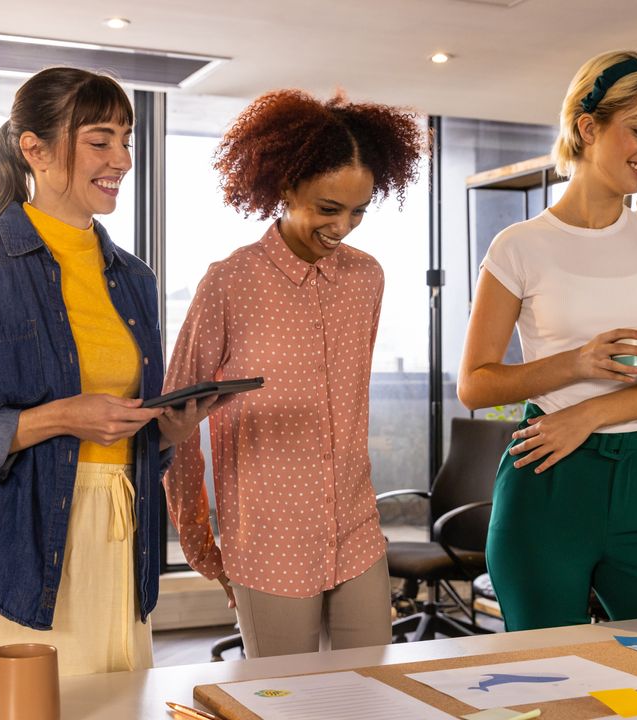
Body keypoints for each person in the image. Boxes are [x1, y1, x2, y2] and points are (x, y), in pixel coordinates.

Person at [0, 67, 208, 687]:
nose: (122, 159)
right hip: (13, 560)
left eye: (126, 140)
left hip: (121, 555)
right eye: (99, 141)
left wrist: (166, 433)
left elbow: (129, 444)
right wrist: (58, 418)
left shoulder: (135, 279)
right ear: (34, 149)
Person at [458, 50, 637, 631]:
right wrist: (577, 363)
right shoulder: (518, 246)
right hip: (548, 481)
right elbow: (475, 385)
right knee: (549, 669)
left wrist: (588, 414)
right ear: (587, 127)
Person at [162, 89, 427, 658]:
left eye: (358, 211)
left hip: (356, 528)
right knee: (283, 697)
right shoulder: (229, 282)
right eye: (328, 209)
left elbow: (352, 403)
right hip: (269, 538)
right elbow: (174, 422)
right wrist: (201, 541)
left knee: (371, 688)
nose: (343, 227)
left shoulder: (367, 278)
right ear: (285, 187)